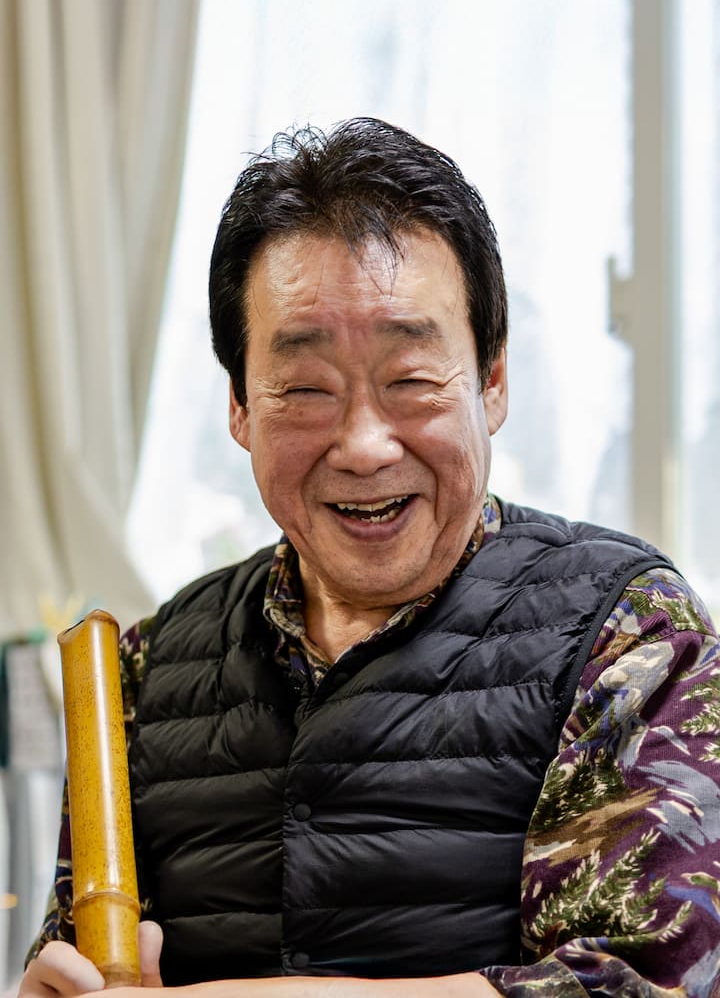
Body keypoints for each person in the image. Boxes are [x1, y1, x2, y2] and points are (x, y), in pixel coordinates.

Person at [20, 118, 720, 998]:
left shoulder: (630, 632)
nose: (362, 445)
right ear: (239, 407)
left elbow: (645, 982)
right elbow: (84, 964)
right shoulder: (145, 668)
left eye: (411, 380)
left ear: (492, 381)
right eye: (304, 389)